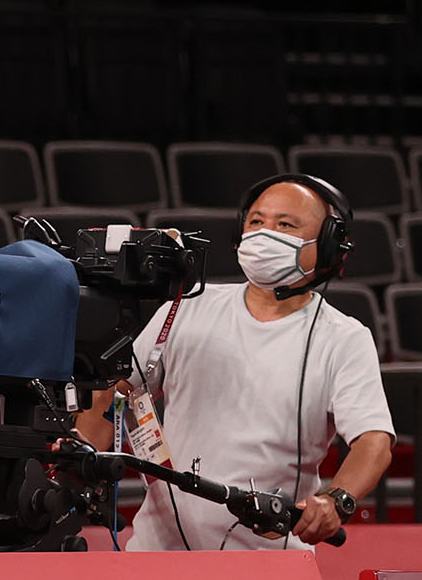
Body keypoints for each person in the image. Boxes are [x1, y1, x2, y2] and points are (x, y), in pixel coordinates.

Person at [73, 174, 394, 550]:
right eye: (256, 221)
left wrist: (336, 501)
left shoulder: (343, 338)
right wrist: (80, 463)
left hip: (269, 563)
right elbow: (115, 394)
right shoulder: (186, 308)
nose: (264, 233)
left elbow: (374, 441)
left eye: (285, 225)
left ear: (328, 245)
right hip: (157, 555)